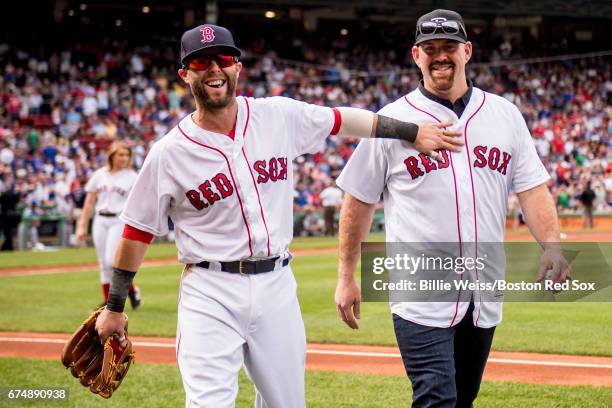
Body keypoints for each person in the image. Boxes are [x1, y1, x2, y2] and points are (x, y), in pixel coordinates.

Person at [94, 23, 464, 408]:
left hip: (276, 285)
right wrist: (115, 306)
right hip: (209, 288)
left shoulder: (277, 115)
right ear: (185, 74)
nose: (213, 69)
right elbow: (136, 232)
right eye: (201, 62)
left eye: (223, 59)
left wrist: (410, 131)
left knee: (286, 403)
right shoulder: (168, 153)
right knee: (208, 403)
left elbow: (344, 120)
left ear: (238, 66)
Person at [334, 9, 571, 408]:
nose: (440, 56)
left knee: (463, 398)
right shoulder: (392, 120)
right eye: (431, 49)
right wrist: (347, 274)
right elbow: (357, 198)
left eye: (448, 47)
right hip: (419, 290)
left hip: (483, 287)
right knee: (436, 399)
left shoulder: (504, 115)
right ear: (416, 55)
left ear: (467, 51)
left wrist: (552, 245)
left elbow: (532, 188)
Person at [77, 141, 141, 309]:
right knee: (102, 262)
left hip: (118, 220)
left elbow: (137, 203)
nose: (124, 158)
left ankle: (124, 293)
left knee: (110, 261)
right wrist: (82, 225)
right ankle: (120, 295)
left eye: (127, 155)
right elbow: (90, 201)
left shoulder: (132, 176)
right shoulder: (100, 174)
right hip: (100, 219)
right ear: (112, 156)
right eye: (120, 154)